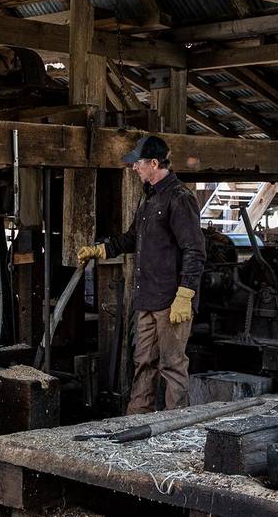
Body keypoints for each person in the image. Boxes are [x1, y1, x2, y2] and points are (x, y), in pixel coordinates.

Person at [77, 136, 206, 414]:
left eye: (138, 163)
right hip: (147, 298)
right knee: (143, 362)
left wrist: (185, 294)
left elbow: (194, 250)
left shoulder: (180, 198)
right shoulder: (149, 199)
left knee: (172, 365)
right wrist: (102, 250)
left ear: (154, 163)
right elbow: (131, 238)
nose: (134, 168)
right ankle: (136, 422)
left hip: (172, 301)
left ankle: (176, 427)